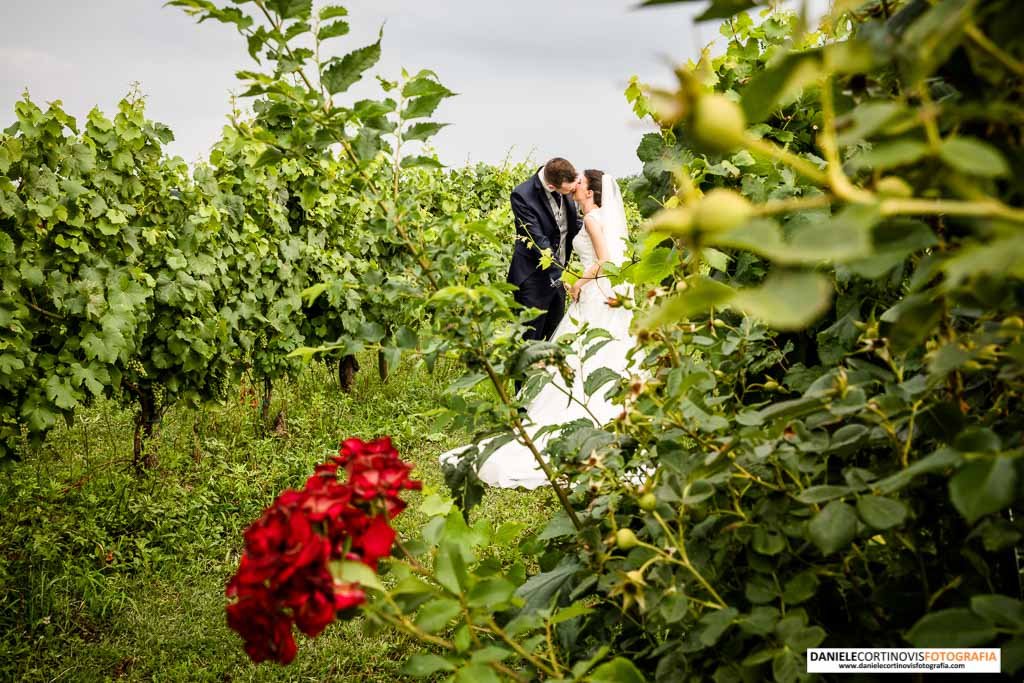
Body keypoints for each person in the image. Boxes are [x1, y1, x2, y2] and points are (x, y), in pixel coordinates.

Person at [442, 169, 635, 489]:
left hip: (591, 293)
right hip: (600, 295)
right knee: (595, 355)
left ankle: (579, 418)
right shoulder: (591, 216)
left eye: (582, 184)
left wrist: (577, 284)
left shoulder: (591, 220)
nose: (576, 187)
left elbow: (604, 259)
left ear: (590, 192)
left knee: (580, 355)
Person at [507, 158, 581, 342]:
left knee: (555, 335)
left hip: (559, 276)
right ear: (550, 186)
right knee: (531, 339)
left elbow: (573, 224)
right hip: (533, 279)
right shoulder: (522, 195)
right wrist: (563, 276)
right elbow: (539, 241)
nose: (572, 194)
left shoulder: (566, 185)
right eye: (569, 191)